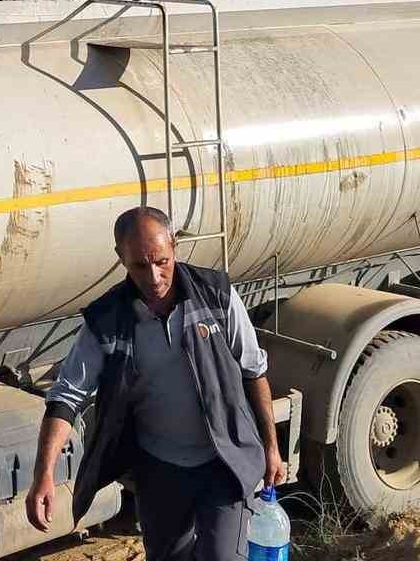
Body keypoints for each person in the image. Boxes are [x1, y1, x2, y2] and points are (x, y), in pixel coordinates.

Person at [27, 207, 287, 561]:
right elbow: (66, 398)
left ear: (174, 246)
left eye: (162, 261)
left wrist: (271, 447)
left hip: (223, 463)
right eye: (139, 265)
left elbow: (253, 371)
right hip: (160, 470)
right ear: (121, 257)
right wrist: (44, 473)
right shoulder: (107, 320)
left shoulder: (216, 296)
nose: (154, 276)